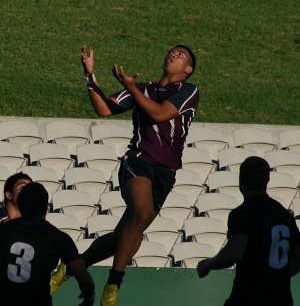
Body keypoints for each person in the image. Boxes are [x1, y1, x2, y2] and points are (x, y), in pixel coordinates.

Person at [79, 43, 200, 306]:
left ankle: (74, 266)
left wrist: (131, 87)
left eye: (180, 55)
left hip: (166, 173)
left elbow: (160, 113)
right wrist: (90, 77)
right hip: (138, 161)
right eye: (170, 51)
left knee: (126, 235)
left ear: (188, 69)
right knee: (142, 211)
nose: (172, 54)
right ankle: (114, 283)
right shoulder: (143, 88)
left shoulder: (188, 91)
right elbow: (104, 109)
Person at [197, 156, 300, 306]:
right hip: (281, 299)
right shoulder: (284, 215)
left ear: (241, 182)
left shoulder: (242, 213)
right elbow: (298, 256)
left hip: (249, 297)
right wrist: (278, 277)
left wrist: (207, 264)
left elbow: (233, 253)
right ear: (267, 180)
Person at [0, 181, 95, 306]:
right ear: (46, 207)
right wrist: (89, 296)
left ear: (21, 205)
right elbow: (83, 276)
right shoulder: (59, 238)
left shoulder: (3, 231)